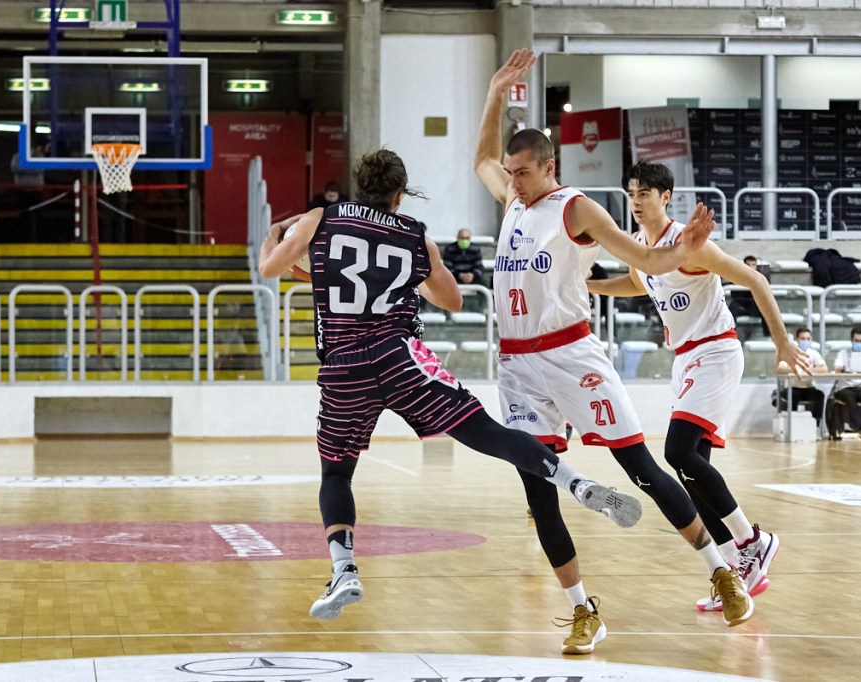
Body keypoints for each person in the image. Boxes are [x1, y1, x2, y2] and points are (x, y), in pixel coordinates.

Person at [258, 148, 643, 623]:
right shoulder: (414, 236)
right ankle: (576, 482)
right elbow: (453, 300)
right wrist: (407, 279)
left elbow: (271, 269)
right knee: (485, 431)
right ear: (400, 194)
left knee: (336, 476)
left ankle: (344, 570)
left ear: (360, 184)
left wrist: (273, 235)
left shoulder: (321, 218)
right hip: (398, 358)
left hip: (343, 368)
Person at [475, 49, 755, 648]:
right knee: (537, 490)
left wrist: (686, 249)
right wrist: (495, 93)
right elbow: (481, 161)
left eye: (522, 173)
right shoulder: (514, 202)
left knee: (643, 469)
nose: (512, 181)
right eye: (510, 173)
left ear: (548, 167)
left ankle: (721, 570)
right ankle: (583, 610)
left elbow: (647, 259)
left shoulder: (576, 208)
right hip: (518, 366)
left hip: (573, 356)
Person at [586, 160, 810, 616]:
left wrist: (783, 342)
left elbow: (756, 280)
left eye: (645, 193)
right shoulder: (641, 248)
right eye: (631, 193)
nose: (636, 201)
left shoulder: (690, 244)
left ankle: (752, 539)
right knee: (694, 474)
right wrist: (586, 285)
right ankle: (733, 573)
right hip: (686, 358)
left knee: (677, 452)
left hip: (716, 352)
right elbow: (635, 283)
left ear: (665, 197)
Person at [828, 325, 861, 441]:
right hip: (844, 388)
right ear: (851, 340)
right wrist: (838, 367)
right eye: (856, 341)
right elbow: (837, 365)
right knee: (849, 397)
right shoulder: (843, 354)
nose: (858, 343)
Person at [775, 327, 828, 426]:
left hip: (808, 388)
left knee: (819, 395)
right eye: (803, 339)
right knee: (793, 396)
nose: (805, 341)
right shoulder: (790, 353)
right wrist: (795, 370)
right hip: (793, 388)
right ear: (797, 339)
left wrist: (807, 371)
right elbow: (779, 369)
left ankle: (816, 425)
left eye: (808, 339)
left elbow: (824, 369)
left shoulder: (813, 353)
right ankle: (792, 425)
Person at [728, 255, 769, 337]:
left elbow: (764, 295)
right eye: (748, 264)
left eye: (753, 265)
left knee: (766, 307)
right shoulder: (737, 277)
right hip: (742, 306)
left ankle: (768, 335)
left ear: (756, 266)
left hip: (755, 306)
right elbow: (734, 294)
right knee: (733, 306)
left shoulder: (760, 278)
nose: (751, 267)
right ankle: (731, 334)